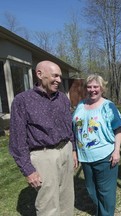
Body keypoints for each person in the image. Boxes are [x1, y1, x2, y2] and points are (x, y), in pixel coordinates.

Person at [9, 60, 78, 216]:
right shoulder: (22, 101)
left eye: (60, 76)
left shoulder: (62, 98)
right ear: (39, 74)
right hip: (43, 156)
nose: (59, 80)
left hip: (65, 149)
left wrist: (72, 149)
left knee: (67, 198)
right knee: (48, 204)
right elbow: (17, 140)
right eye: (55, 76)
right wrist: (28, 170)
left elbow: (69, 126)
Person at [72, 74, 121, 216]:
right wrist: (74, 151)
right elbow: (74, 128)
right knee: (91, 189)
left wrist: (117, 151)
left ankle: (106, 213)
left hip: (105, 155)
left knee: (106, 192)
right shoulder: (81, 105)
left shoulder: (108, 106)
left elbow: (118, 128)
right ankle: (101, 211)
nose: (92, 89)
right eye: (89, 86)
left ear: (102, 88)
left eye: (96, 86)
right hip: (85, 157)